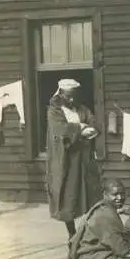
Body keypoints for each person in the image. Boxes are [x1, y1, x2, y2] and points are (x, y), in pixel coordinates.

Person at [46, 79, 102, 241]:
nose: (71, 100)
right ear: (61, 94)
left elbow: (93, 122)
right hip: (66, 158)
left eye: (73, 97)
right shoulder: (54, 110)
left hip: (84, 156)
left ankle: (90, 229)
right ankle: (71, 232)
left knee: (90, 191)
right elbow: (61, 130)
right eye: (68, 97)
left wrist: (86, 129)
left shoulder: (81, 108)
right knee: (68, 193)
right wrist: (80, 128)